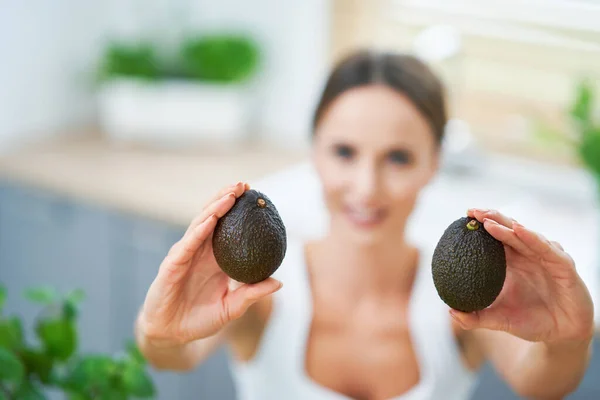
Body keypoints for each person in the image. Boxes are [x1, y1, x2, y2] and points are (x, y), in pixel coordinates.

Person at [134, 50, 595, 400]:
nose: (366, 187)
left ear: (434, 163)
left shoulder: (466, 304)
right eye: (344, 152)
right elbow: (176, 356)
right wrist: (157, 332)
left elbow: (543, 383)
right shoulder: (256, 295)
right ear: (314, 150)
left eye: (398, 157)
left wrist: (570, 340)